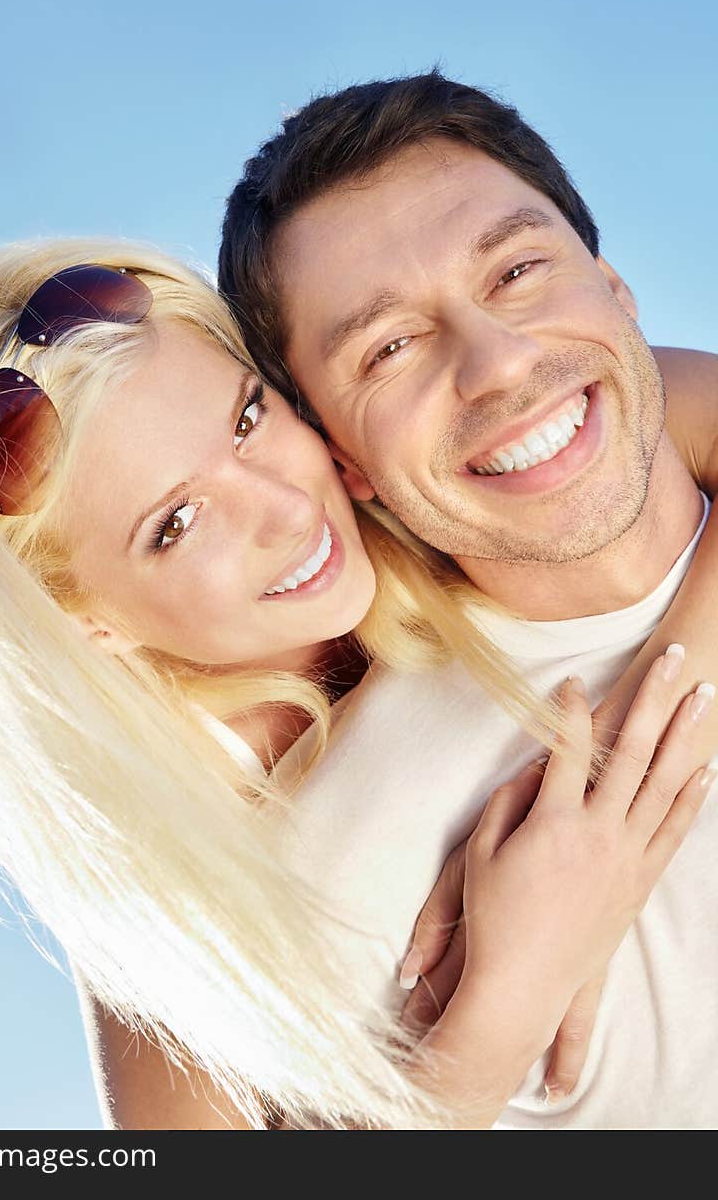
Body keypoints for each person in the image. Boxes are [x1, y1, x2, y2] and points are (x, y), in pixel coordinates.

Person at [0, 239, 715, 1131]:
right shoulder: (164, 885)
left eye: (248, 419)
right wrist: (508, 996)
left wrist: (637, 756)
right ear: (95, 624)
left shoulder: (421, 471)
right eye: (176, 523)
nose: (286, 510)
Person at [217, 70, 718, 1127]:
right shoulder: (342, 856)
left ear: (614, 287)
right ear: (339, 458)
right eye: (388, 347)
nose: (495, 365)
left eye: (518, 270)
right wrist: (494, 1014)